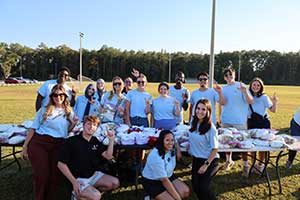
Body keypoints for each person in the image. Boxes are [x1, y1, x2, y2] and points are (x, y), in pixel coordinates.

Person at [21, 84, 77, 200]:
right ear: (51, 96)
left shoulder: (69, 112)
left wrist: (74, 123)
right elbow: (33, 128)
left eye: (61, 94)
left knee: (54, 176)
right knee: (42, 175)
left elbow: (66, 130)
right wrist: (25, 146)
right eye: (55, 95)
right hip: (40, 143)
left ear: (65, 96)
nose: (58, 97)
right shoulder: (44, 110)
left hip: (58, 144)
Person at [57, 115, 120, 200]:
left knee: (115, 183)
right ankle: (76, 195)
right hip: (78, 179)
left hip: (93, 175)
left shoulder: (95, 140)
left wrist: (111, 140)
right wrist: (74, 182)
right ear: (83, 125)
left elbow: (108, 156)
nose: (91, 127)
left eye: (94, 125)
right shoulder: (72, 141)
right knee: (96, 196)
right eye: (89, 124)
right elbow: (60, 164)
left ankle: (88, 190)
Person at [243, 77, 278, 176]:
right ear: (251, 86)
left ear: (261, 87)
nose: (256, 87)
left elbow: (273, 110)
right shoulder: (247, 96)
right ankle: (253, 165)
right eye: (254, 84)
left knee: (262, 146)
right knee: (252, 145)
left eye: (258, 85)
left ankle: (260, 166)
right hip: (251, 123)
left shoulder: (264, 97)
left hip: (263, 123)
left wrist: (275, 102)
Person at [220, 68, 253, 170]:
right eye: (227, 75)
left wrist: (245, 92)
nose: (229, 77)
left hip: (239, 121)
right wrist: (220, 117)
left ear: (234, 75)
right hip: (226, 120)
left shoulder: (241, 86)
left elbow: (250, 101)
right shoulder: (223, 88)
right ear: (224, 77)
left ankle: (245, 165)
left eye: (231, 74)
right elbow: (222, 103)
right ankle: (228, 160)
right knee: (226, 142)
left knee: (243, 144)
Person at [142, 130, 190, 200]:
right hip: (152, 181)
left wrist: (178, 151)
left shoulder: (171, 147)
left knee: (185, 192)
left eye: (172, 140)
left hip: (168, 176)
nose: (170, 143)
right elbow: (164, 180)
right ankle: (150, 196)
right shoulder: (155, 156)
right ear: (161, 141)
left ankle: (161, 195)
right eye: (167, 140)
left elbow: (175, 141)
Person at [189, 99, 219, 200]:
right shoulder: (193, 122)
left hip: (210, 160)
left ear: (208, 112)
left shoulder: (211, 128)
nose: (200, 111)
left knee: (203, 188)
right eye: (198, 108)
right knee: (195, 187)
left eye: (203, 109)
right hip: (196, 159)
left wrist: (206, 165)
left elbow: (215, 149)